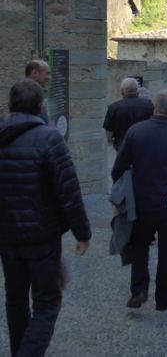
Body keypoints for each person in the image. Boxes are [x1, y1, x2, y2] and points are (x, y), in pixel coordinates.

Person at [0, 79, 91, 356]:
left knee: (15, 299)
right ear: (40, 106)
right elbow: (69, 192)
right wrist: (82, 233)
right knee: (47, 301)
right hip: (41, 235)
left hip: (7, 235)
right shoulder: (50, 139)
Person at [111, 89, 167, 311]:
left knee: (140, 246)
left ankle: (139, 290)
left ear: (156, 107)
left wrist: (125, 187)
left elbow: (117, 169)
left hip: (141, 202)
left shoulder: (136, 131)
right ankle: (163, 298)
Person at [103, 77, 154, 151]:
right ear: (137, 90)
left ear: (122, 91)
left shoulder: (114, 108)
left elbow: (109, 135)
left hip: (122, 148)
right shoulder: (149, 106)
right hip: (144, 147)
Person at [25, 59, 51, 123]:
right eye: (47, 73)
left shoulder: (23, 91)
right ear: (35, 73)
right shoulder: (27, 95)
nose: (49, 78)